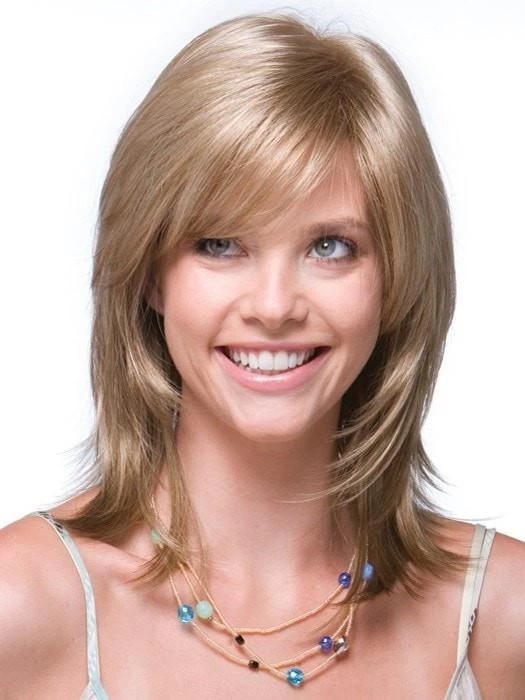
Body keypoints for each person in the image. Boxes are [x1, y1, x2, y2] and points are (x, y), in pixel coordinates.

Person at [1, 12, 524, 699]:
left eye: (330, 247)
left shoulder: (501, 616)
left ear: (396, 278)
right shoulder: (22, 606)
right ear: (150, 274)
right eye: (220, 244)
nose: (274, 307)